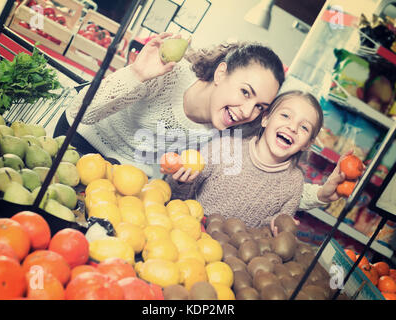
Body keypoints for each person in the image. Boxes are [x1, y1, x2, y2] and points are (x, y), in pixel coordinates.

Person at [54, 32, 344, 210]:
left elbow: (266, 178)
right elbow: (83, 112)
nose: (246, 111)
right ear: (221, 74)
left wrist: (319, 194)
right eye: (245, 92)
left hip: (129, 181)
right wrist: (137, 75)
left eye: (259, 106)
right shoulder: (169, 75)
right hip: (79, 145)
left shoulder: (233, 132)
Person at [164, 90, 324, 229]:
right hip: (186, 235)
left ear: (308, 144)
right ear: (265, 119)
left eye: (304, 127)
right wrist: (180, 182)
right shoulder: (224, 148)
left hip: (232, 260)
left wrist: (275, 229)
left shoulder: (294, 183)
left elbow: (271, 238)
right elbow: (174, 199)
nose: (293, 127)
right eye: (285, 115)